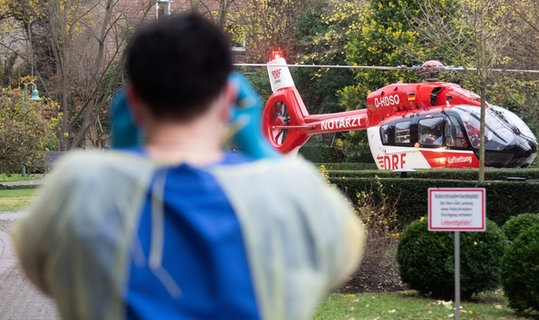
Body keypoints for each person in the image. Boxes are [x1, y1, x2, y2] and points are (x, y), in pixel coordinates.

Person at [10, 12, 365, 320]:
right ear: (230, 97)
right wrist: (263, 153)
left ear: (131, 103)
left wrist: (119, 159)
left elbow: (41, 271)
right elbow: (343, 254)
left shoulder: (75, 186)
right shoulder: (292, 193)